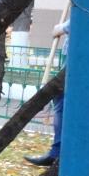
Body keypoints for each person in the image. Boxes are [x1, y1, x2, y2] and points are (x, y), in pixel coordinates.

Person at [26, 21, 68, 167]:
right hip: (74, 67)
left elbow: (60, 29)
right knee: (61, 102)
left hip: (76, 68)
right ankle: (57, 153)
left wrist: (61, 27)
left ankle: (56, 154)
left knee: (62, 105)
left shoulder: (87, 8)